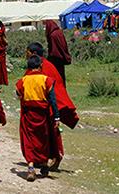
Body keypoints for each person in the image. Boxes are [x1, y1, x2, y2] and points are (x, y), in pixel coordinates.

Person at [26, 42, 79, 171]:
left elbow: (54, 88)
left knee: (50, 134)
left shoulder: (44, 67)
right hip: (42, 105)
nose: (25, 54)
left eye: (27, 52)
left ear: (33, 53)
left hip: (46, 106)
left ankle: (56, 156)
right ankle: (42, 159)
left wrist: (55, 110)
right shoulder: (42, 65)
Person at [16, 55, 60, 182]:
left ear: (28, 67)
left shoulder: (22, 81)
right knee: (43, 139)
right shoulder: (46, 80)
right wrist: (56, 116)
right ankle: (45, 165)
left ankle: (30, 167)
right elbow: (52, 100)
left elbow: (19, 95)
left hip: (28, 115)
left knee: (29, 140)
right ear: (40, 66)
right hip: (43, 115)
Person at [44, 20, 72, 84]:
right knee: (61, 76)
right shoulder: (59, 32)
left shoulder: (52, 35)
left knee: (56, 76)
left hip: (55, 58)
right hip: (61, 57)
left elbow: (53, 48)